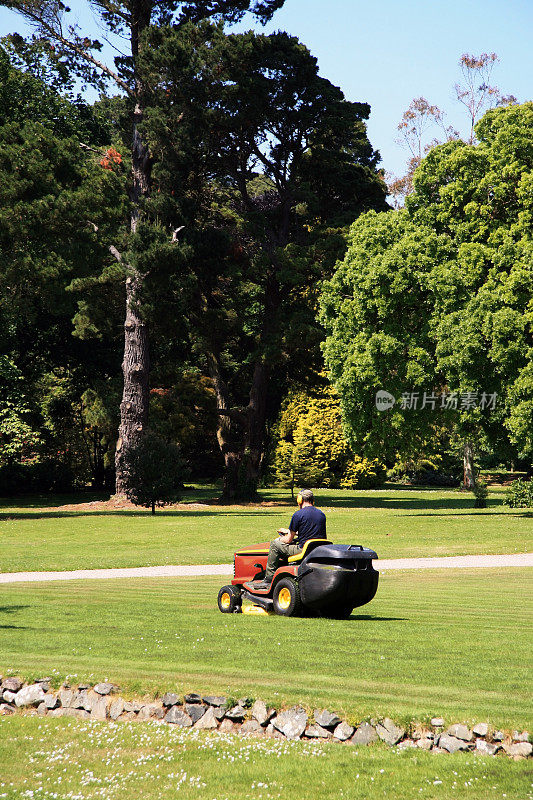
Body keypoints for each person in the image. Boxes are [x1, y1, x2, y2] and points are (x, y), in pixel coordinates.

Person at [254, 488, 326, 588]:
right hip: (316, 550)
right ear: (312, 500)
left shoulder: (298, 515)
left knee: (275, 545)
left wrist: (280, 539)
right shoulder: (321, 514)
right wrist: (289, 532)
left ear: (300, 500)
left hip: (302, 550)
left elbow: (288, 540)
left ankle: (268, 579)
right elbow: (309, 531)